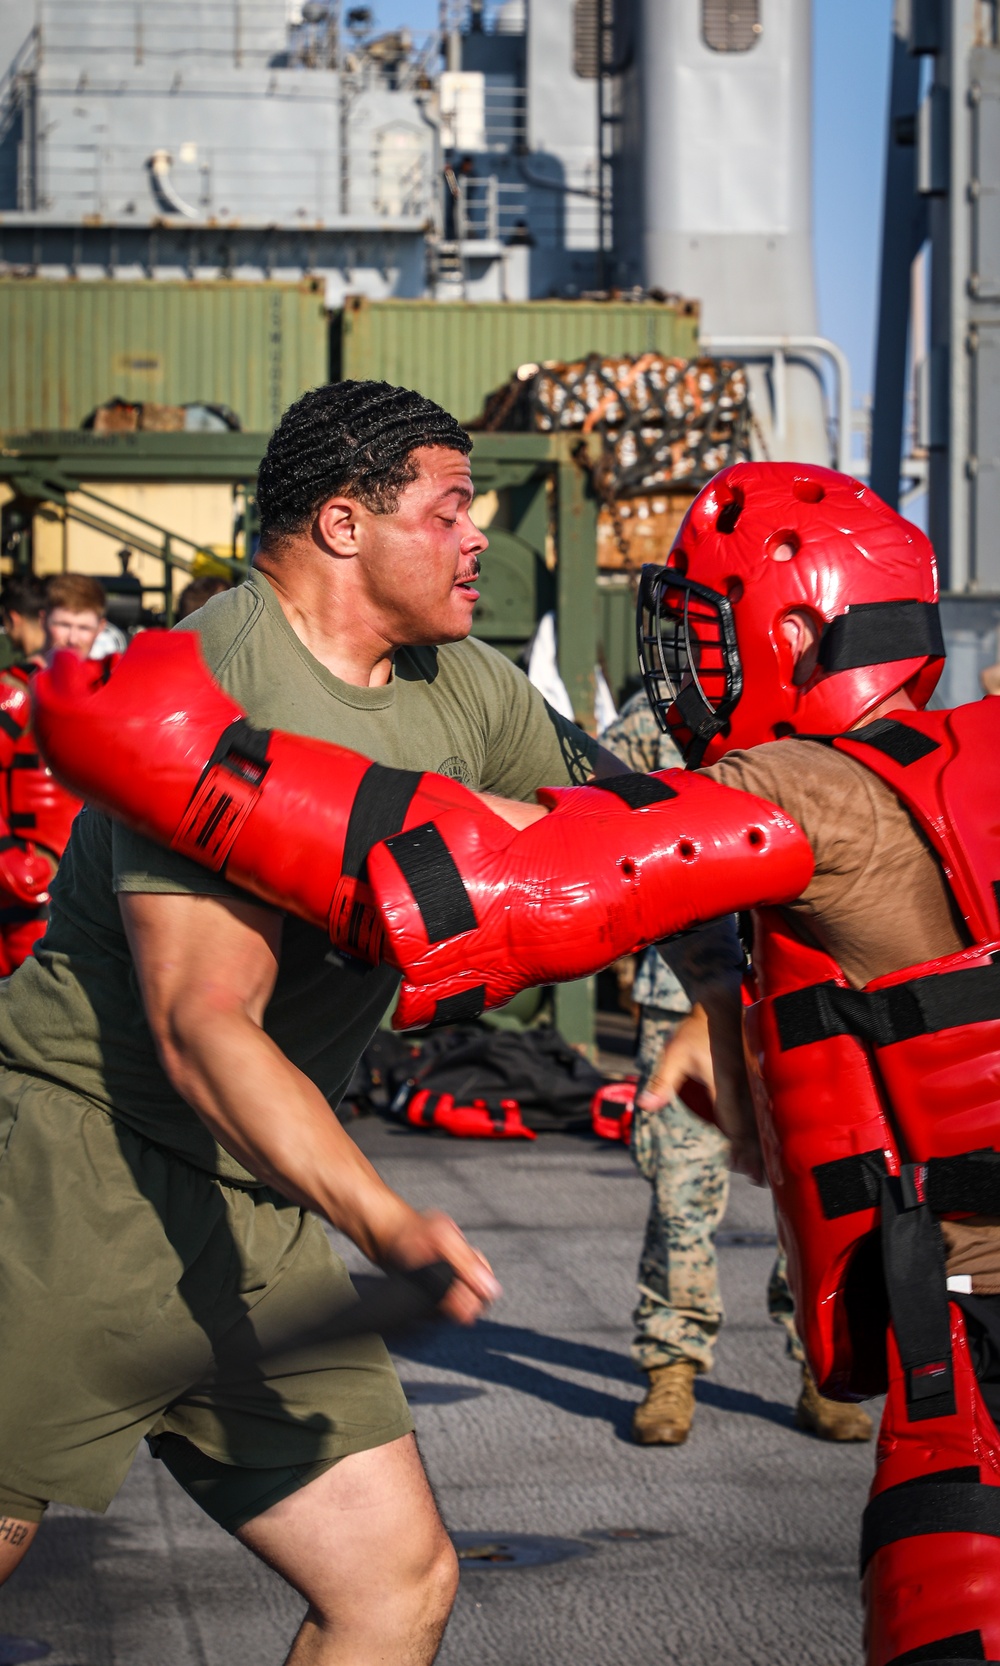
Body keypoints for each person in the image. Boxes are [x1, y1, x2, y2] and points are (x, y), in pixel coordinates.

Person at [0, 380, 638, 1666]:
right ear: (345, 524)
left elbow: (627, 826)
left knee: (393, 1586)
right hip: (77, 1175)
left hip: (256, 1201)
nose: (481, 541)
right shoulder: (223, 681)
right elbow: (201, 1024)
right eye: (453, 509)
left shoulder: (462, 684)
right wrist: (390, 1220)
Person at [601, 691, 871, 1445]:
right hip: (679, 993)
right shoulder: (652, 725)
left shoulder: (821, 710)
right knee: (681, 1191)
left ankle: (824, 1369)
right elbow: (606, 828)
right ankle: (671, 1368)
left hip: (804, 994)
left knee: (819, 1186)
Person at [0, 576, 95, 973]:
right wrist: (9, 858)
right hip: (28, 887)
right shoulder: (15, 691)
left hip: (81, 886)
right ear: (45, 621)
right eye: (64, 624)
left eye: (85, 626)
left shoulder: (100, 691)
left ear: (100, 629)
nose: (73, 638)